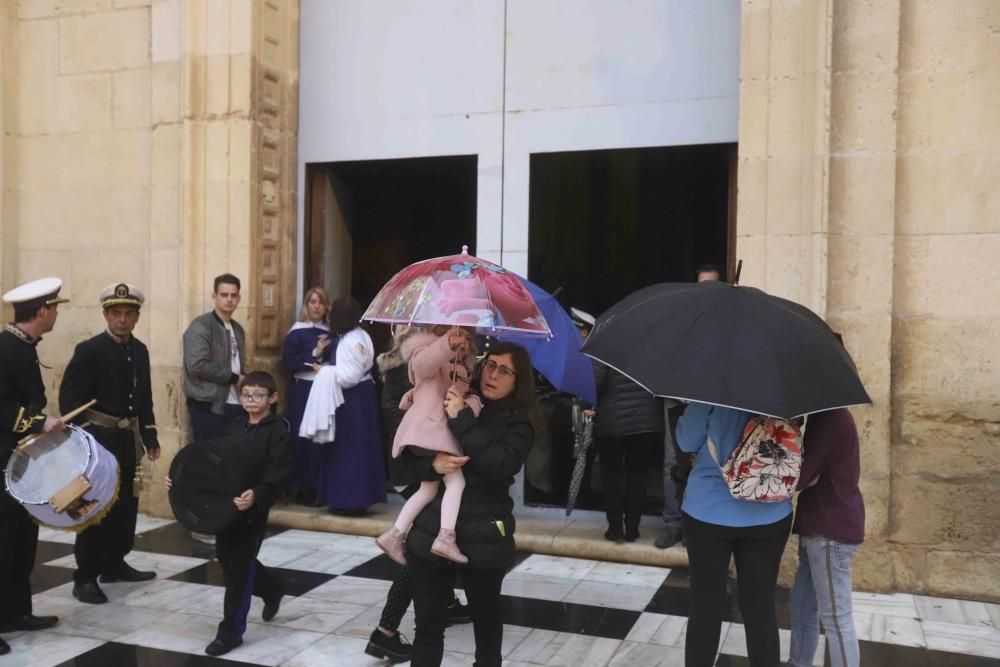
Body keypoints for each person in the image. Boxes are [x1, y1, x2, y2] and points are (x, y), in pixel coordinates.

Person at [403, 342, 537, 667]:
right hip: (431, 532)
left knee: (487, 631)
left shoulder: (520, 424)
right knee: (428, 629)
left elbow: (499, 464)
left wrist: (461, 419)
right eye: (489, 364)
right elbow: (410, 460)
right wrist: (432, 466)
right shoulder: (452, 394)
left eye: (504, 370)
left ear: (519, 381)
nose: (492, 374)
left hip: (484, 537)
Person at [366, 325, 471, 664]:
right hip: (418, 464)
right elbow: (403, 420)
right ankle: (385, 630)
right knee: (420, 551)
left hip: (423, 462)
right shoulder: (415, 360)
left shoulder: (441, 359)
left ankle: (448, 602)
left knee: (429, 543)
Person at [166, 371, 290, 657]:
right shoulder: (232, 426)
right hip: (227, 508)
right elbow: (211, 464)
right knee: (227, 559)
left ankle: (231, 632)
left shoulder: (277, 430)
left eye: (259, 395)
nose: (251, 400)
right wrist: (179, 480)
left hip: (253, 510)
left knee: (239, 569)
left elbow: (279, 471)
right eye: (246, 394)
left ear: (272, 398)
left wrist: (258, 494)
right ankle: (272, 588)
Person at [60, 283, 161, 605]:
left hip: (127, 441)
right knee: (94, 507)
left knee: (125, 507)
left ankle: (115, 563)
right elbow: (69, 402)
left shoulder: (140, 350)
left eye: (128, 314)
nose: (122, 320)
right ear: (105, 315)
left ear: (137, 316)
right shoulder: (90, 350)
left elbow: (144, 398)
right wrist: (86, 441)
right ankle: (85, 575)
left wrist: (150, 437)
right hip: (98, 443)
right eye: (116, 313)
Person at [676, 402, 793, 667]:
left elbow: (686, 441)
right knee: (761, 609)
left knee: (705, 607)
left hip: (708, 510)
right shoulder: (783, 388)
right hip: (770, 511)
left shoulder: (709, 386)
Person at [0, 277, 67, 654]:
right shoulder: (3, 347)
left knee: (22, 540)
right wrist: (37, 422)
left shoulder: (24, 346)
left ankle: (15, 612)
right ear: (42, 311)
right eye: (55, 307)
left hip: (23, 463)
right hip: (1, 462)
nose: (57, 313)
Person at [376, 326, 480, 565]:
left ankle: (394, 535)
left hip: (433, 431)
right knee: (457, 481)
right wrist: (446, 344)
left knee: (428, 489)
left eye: (467, 337)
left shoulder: (460, 366)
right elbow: (423, 365)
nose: (462, 341)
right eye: (458, 334)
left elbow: (461, 397)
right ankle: (445, 537)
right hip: (431, 429)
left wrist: (472, 403)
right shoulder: (427, 351)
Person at [788, 408, 865, 667]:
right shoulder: (823, 418)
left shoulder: (831, 420)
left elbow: (800, 476)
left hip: (830, 532)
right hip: (817, 527)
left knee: (836, 618)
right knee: (801, 607)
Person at [315, 297, 386, 513]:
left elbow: (349, 377)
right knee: (361, 447)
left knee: (348, 449)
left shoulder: (350, 341)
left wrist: (323, 371)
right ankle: (360, 498)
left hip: (351, 400)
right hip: (362, 398)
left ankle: (348, 501)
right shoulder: (362, 335)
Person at [593, 364, 664, 543]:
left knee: (611, 475)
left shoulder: (605, 341)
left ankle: (615, 528)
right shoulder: (653, 344)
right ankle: (632, 528)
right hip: (645, 419)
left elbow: (596, 381)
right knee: (638, 475)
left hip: (611, 419)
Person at [281, 287, 332, 506]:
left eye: (320, 302)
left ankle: (321, 487)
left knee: (322, 438)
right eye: (312, 302)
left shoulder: (331, 331)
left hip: (325, 389)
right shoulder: (297, 332)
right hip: (303, 390)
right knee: (304, 439)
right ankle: (302, 488)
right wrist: (315, 353)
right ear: (306, 305)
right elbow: (289, 363)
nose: (316, 306)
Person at [183, 274, 246, 442]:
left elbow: (238, 364)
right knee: (209, 460)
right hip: (208, 406)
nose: (229, 300)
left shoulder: (238, 329)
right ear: (214, 297)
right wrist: (234, 378)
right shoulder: (201, 326)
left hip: (237, 405)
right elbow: (197, 366)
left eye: (233, 295)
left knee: (233, 459)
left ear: (239, 298)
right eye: (224, 295)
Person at [655, 400, 685, 549]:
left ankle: (691, 523)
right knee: (671, 462)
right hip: (673, 394)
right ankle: (673, 522)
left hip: (704, 397)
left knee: (699, 462)